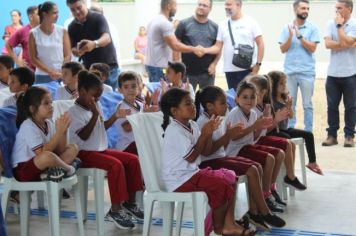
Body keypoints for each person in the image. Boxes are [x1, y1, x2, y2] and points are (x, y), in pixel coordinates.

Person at [160, 88, 256, 236]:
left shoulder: (192, 125)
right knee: (221, 184)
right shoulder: (175, 131)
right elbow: (191, 157)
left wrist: (208, 134)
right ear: (174, 111)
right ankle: (219, 227)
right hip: (180, 179)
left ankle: (229, 223)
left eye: (192, 102)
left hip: (192, 174)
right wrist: (205, 135)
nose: (193, 106)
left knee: (231, 176)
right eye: (187, 104)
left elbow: (205, 151)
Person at [195, 85, 286, 231]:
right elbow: (206, 153)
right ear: (210, 106)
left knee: (256, 166)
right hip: (208, 163)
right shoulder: (203, 123)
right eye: (223, 103)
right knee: (251, 169)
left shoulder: (219, 119)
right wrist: (229, 135)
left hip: (220, 157)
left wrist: (228, 135)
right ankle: (264, 211)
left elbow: (222, 148)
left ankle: (255, 211)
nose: (227, 105)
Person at [67, 70, 144, 229]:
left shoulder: (96, 105)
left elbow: (103, 127)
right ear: (82, 92)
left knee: (132, 160)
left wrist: (115, 116)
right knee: (115, 165)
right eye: (94, 96)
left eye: (99, 96)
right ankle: (115, 209)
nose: (97, 99)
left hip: (100, 150)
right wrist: (94, 115)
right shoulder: (74, 111)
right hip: (83, 153)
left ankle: (130, 203)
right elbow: (84, 137)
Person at [224, 81, 289, 213]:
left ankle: (270, 188)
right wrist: (255, 126)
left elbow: (253, 137)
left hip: (248, 146)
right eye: (245, 97)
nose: (249, 100)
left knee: (280, 154)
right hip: (236, 150)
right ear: (237, 98)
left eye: (252, 97)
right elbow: (234, 137)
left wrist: (262, 125)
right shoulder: (235, 113)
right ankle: (265, 196)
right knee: (269, 159)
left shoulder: (253, 114)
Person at [247, 75, 306, 204]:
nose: (250, 96)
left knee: (288, 143)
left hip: (260, 138)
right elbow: (257, 134)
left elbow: (265, 130)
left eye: (253, 92)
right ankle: (271, 189)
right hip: (254, 141)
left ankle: (278, 184)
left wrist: (285, 111)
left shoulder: (265, 106)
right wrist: (275, 120)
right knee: (283, 145)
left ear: (262, 92)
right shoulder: (251, 108)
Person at [12, 86, 79, 182]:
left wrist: (63, 132)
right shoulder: (28, 126)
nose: (51, 106)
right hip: (23, 170)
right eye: (46, 103)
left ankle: (53, 171)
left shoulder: (48, 123)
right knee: (47, 156)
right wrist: (58, 133)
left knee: (73, 148)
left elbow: (60, 150)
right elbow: (42, 154)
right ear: (32, 109)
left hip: (42, 166)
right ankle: (69, 169)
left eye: (51, 102)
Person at [268, 70, 323, 175]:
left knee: (308, 134)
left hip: (284, 128)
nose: (284, 85)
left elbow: (291, 116)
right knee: (287, 137)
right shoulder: (271, 100)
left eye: (285, 82)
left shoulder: (283, 98)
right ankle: (289, 170)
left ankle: (312, 162)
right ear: (273, 84)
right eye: (281, 83)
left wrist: (289, 107)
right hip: (273, 129)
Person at [203, 0, 264, 90]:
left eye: (229, 4)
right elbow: (217, 47)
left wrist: (258, 65)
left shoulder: (250, 22)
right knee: (234, 99)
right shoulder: (222, 24)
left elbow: (261, 43)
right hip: (230, 70)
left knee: (249, 98)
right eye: (225, 4)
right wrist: (204, 50)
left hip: (248, 69)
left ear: (238, 5)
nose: (226, 7)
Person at [278, 0, 320, 132]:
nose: (306, 11)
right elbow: (282, 49)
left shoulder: (313, 28)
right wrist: (291, 36)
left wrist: (300, 36)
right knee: (290, 104)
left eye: (307, 8)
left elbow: (313, 48)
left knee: (307, 105)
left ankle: (308, 131)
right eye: (303, 8)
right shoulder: (286, 28)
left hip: (307, 73)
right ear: (295, 9)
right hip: (289, 73)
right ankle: (291, 129)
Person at [323, 0, 356, 147]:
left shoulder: (354, 25)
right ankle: (332, 136)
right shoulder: (329, 23)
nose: (336, 11)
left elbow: (348, 41)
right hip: (333, 73)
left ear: (349, 9)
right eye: (335, 8)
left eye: (339, 8)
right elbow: (328, 44)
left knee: (351, 107)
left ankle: (349, 136)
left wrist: (339, 26)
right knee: (332, 106)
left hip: (351, 73)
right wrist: (345, 43)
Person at [145, 0, 204, 82]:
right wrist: (194, 49)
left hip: (151, 65)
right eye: (175, 6)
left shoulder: (153, 21)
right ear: (169, 6)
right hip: (160, 67)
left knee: (156, 91)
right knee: (162, 93)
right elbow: (175, 45)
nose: (176, 9)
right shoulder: (165, 23)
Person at [67, 0, 120, 91]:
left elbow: (107, 38)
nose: (77, 12)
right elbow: (73, 49)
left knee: (110, 98)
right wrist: (78, 51)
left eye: (79, 8)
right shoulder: (71, 26)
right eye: (73, 10)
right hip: (90, 70)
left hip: (108, 67)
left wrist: (94, 44)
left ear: (85, 4)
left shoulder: (98, 17)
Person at [174, 0, 220, 91]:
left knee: (207, 101)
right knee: (186, 101)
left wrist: (214, 64)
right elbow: (176, 45)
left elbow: (219, 48)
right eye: (199, 4)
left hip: (207, 73)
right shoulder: (184, 24)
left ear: (210, 9)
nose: (201, 7)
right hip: (187, 72)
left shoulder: (215, 27)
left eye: (204, 5)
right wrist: (178, 63)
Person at [114, 71, 158, 155]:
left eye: (133, 86)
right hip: (127, 146)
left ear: (139, 88)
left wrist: (154, 104)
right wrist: (144, 115)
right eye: (126, 87)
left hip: (140, 142)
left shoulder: (140, 104)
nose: (130, 90)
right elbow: (127, 128)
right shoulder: (121, 107)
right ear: (120, 90)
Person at [29, 2, 71, 84]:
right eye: (54, 13)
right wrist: (50, 72)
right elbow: (33, 58)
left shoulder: (62, 31)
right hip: (42, 75)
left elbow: (68, 55)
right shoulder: (33, 33)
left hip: (61, 75)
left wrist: (62, 71)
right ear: (44, 14)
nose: (57, 15)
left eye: (58, 12)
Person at [5, 6, 39, 71]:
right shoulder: (23, 31)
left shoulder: (45, 29)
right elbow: (8, 45)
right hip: (30, 71)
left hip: (46, 70)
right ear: (31, 17)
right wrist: (17, 61)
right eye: (38, 14)